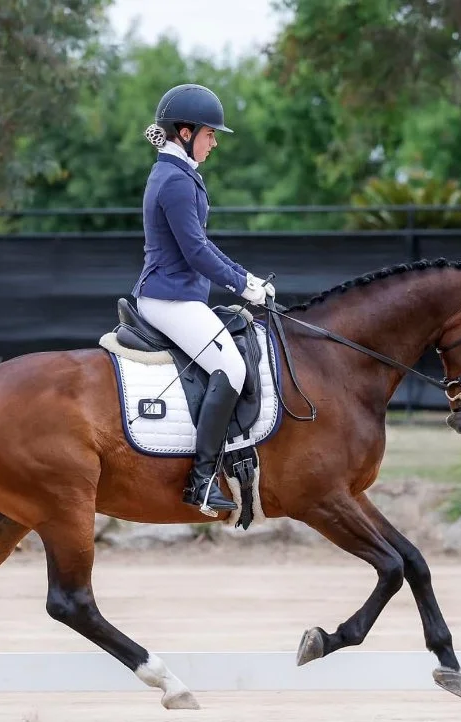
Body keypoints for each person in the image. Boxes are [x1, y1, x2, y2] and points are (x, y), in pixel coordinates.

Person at [130, 83, 275, 516]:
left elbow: (202, 247)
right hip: (168, 300)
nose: (214, 144)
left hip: (179, 296)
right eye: (211, 135)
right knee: (229, 367)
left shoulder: (177, 174)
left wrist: (243, 277)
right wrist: (243, 285)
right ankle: (202, 480)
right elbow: (196, 251)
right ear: (186, 132)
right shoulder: (174, 180)